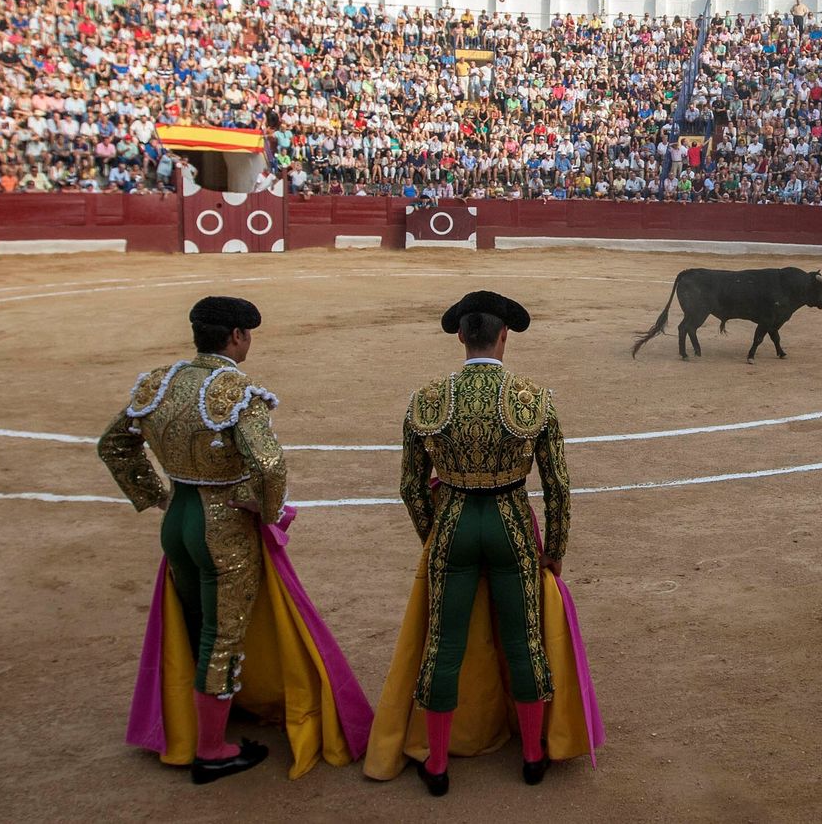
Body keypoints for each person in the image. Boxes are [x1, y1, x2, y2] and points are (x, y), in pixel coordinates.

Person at [99, 297, 373, 784]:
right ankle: (211, 749)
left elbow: (113, 444)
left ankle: (205, 721)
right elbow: (269, 464)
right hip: (221, 527)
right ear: (238, 336)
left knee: (195, 621)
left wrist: (156, 494)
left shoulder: (160, 381)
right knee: (220, 636)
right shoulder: (235, 391)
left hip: (179, 519)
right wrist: (265, 512)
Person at [366, 291, 603, 795]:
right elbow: (558, 486)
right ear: (504, 337)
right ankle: (534, 756)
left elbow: (410, 485)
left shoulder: (426, 398)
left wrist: (433, 533)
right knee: (525, 642)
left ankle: (436, 765)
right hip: (510, 523)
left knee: (443, 645)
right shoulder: (533, 398)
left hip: (452, 521)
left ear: (460, 337)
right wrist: (555, 548)